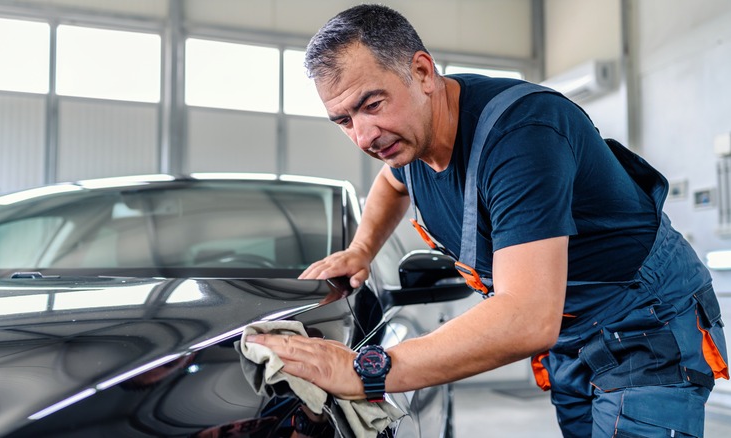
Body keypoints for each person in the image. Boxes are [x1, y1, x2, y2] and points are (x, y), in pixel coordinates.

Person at [246, 4, 729, 436]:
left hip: (645, 319)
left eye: (372, 104)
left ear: (422, 71)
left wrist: (367, 370)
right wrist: (361, 249)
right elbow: (394, 183)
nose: (365, 136)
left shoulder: (522, 137)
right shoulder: (408, 143)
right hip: (572, 330)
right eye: (345, 120)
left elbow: (525, 318)